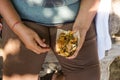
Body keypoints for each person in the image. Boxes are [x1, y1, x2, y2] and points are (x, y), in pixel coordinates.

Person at [0, 0, 100, 80]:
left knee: (87, 76)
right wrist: (17, 26)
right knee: (18, 76)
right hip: (21, 18)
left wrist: (81, 27)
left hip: (74, 19)